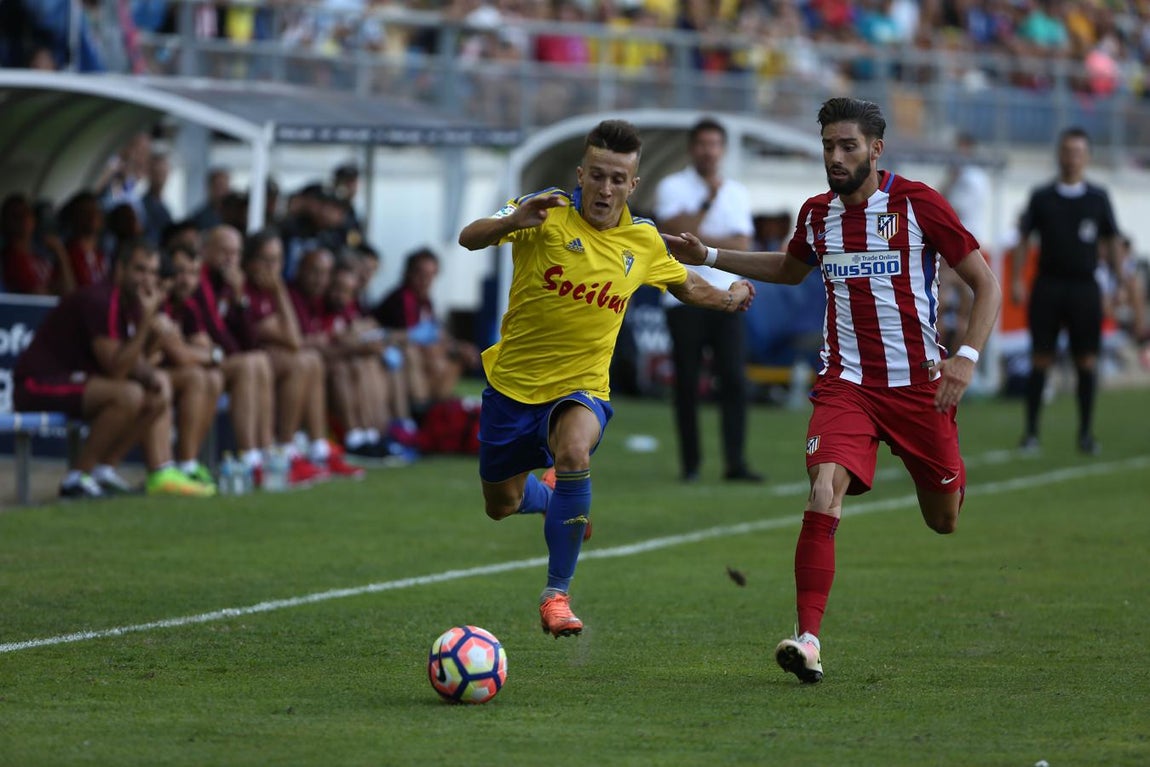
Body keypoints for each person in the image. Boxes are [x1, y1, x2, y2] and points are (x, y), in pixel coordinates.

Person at [662, 98, 1002, 683]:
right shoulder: (817, 215)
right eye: (828, 146)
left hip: (920, 390)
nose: (836, 157)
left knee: (943, 519)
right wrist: (712, 256)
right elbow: (790, 269)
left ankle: (945, 473)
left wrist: (965, 359)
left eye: (848, 146)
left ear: (875, 149)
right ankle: (808, 639)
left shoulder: (918, 204)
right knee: (823, 492)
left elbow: (984, 284)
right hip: (846, 386)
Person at [458, 119, 755, 639]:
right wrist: (510, 222)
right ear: (582, 173)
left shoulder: (641, 242)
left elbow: (685, 286)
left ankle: (557, 595)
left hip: (581, 387)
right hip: (511, 387)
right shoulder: (543, 209)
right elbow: (468, 238)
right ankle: (555, 500)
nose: (606, 188)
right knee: (499, 505)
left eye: (619, 179)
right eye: (598, 175)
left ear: (632, 185)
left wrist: (730, 296)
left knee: (575, 452)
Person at [12, 239, 216, 498]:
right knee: (128, 395)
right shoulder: (103, 299)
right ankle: (77, 478)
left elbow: (137, 363)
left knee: (157, 391)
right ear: (120, 269)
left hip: (82, 380)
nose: (147, 279)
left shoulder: (131, 303)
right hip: (38, 382)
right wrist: (147, 324)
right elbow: (118, 369)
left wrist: (154, 372)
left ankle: (103, 471)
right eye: (140, 270)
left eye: (153, 272)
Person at [653, 116, 762, 484]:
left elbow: (744, 246)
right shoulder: (673, 185)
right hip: (683, 297)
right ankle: (691, 465)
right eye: (702, 144)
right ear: (691, 148)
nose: (709, 151)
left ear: (723, 149)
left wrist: (701, 240)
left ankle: (735, 462)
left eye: (715, 144)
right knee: (686, 383)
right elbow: (675, 241)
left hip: (728, 298)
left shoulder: (738, 191)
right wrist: (708, 202)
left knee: (733, 379)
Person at [1013, 127, 1120, 456]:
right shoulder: (1042, 196)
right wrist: (1018, 278)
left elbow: (1111, 241)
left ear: (1086, 157)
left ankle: (1086, 434)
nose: (1072, 157)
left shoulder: (1097, 198)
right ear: (1060, 154)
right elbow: (1024, 239)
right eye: (1068, 151)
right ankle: (1031, 433)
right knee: (1040, 358)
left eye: (1078, 152)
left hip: (1085, 288)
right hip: (1049, 285)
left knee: (1086, 361)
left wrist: (1116, 284)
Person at [374, 247, 481, 410]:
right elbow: (410, 338)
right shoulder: (402, 298)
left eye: (431, 275)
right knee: (430, 356)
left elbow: (437, 333)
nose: (425, 280)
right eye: (421, 274)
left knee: (459, 356)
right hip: (393, 355)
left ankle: (438, 409)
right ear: (408, 273)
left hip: (418, 355)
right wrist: (446, 348)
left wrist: (457, 347)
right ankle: (422, 409)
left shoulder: (425, 302)